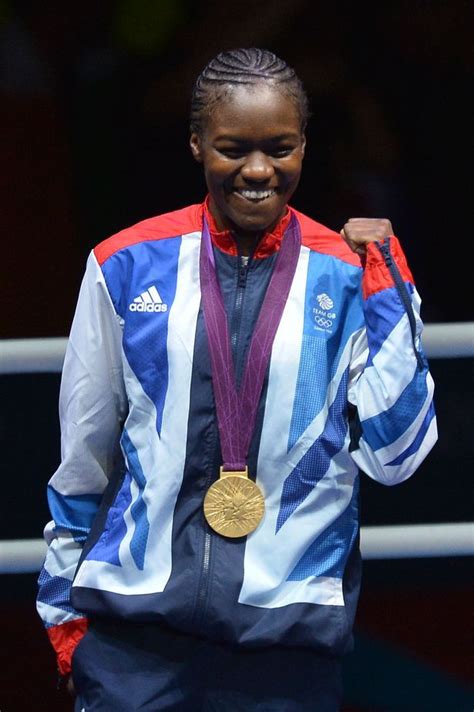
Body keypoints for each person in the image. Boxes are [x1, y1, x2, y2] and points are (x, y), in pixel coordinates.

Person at [37, 48, 437, 711]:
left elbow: (396, 456)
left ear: (306, 146)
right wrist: (66, 625)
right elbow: (84, 461)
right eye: (233, 148)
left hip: (286, 652)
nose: (258, 170)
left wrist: (390, 282)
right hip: (133, 650)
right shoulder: (125, 264)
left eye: (280, 148)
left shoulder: (348, 272)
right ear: (197, 144)